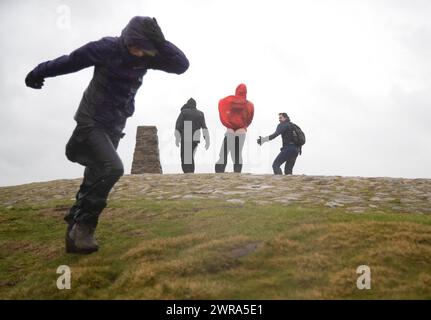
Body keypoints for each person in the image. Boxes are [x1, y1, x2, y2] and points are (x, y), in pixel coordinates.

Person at [25, 16, 189, 254]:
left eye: (144, 50)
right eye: (136, 47)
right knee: (113, 168)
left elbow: (181, 65)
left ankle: (75, 235)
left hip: (115, 124)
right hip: (91, 119)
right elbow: (71, 61)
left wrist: (160, 42)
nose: (139, 53)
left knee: (95, 178)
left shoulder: (147, 56)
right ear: (127, 39)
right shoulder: (106, 48)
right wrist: (38, 72)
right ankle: (83, 226)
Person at [215, 84, 254, 173]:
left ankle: (219, 172)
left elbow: (221, 103)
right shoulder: (249, 105)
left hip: (230, 130)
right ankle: (237, 173)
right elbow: (250, 118)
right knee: (237, 154)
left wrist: (228, 122)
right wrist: (244, 126)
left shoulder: (229, 101)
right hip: (241, 131)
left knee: (224, 152)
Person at [174, 98, 210, 173]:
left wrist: (177, 138)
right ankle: (190, 173)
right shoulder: (200, 113)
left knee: (185, 157)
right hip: (195, 138)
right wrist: (207, 139)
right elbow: (204, 127)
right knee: (190, 156)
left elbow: (178, 126)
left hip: (186, 135)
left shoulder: (184, 112)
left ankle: (188, 173)